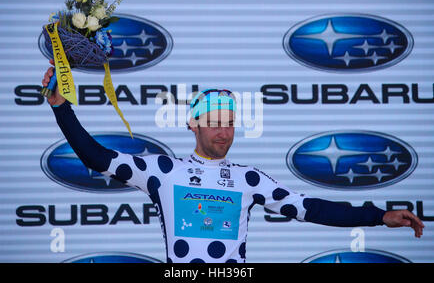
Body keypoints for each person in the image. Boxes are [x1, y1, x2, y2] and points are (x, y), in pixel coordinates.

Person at [42, 62, 424, 263]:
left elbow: (311, 208)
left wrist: (378, 216)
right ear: (193, 124)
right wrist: (61, 108)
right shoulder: (162, 171)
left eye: (229, 124)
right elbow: (95, 157)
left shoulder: (249, 179)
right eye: (214, 123)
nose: (223, 133)